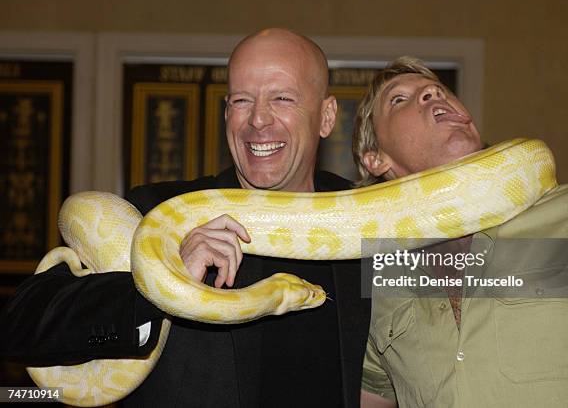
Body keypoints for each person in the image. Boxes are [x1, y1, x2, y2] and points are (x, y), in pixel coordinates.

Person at [0, 29, 370, 407]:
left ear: (326, 117)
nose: (258, 119)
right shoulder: (156, 213)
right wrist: (158, 284)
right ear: (227, 112)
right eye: (242, 100)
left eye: (282, 97)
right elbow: (21, 324)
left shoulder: (370, 218)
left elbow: (423, 336)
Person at [353, 56, 568, 407]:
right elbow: (373, 394)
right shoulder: (382, 273)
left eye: (440, 90)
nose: (432, 92)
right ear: (376, 159)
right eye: (399, 99)